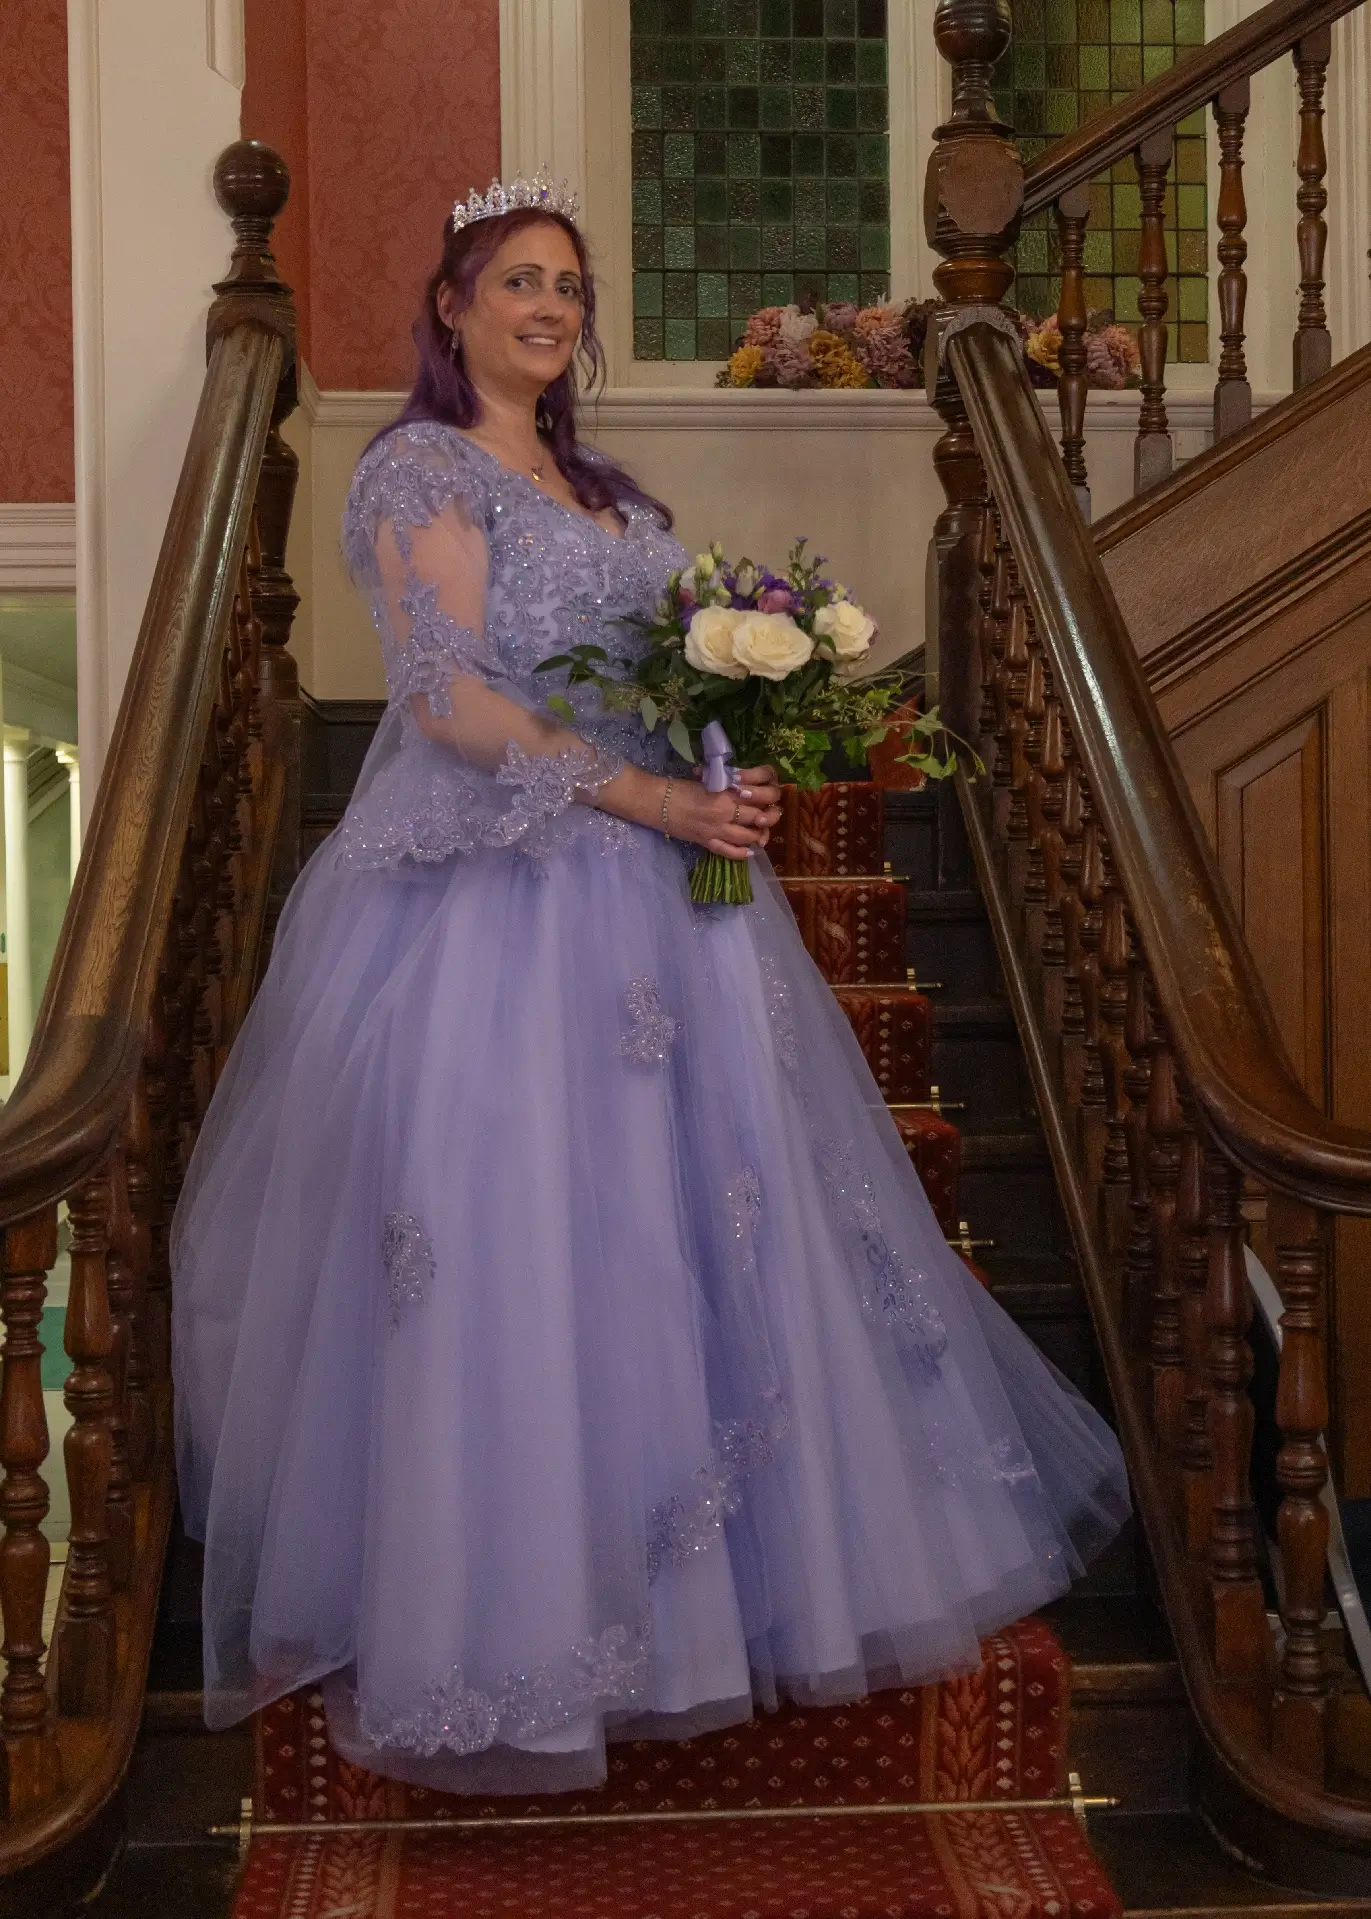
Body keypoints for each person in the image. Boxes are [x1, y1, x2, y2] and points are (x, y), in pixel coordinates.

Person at [172, 174, 1130, 1797]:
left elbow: (661, 676)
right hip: (488, 903)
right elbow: (452, 699)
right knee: (518, 1258)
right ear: (455, 305)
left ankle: (695, 1622)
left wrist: (729, 768)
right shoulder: (419, 465)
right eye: (516, 281)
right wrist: (651, 800)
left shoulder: (599, 484)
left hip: (666, 899)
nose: (548, 306)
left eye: (567, 283)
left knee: (698, 1243)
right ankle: (516, 1632)